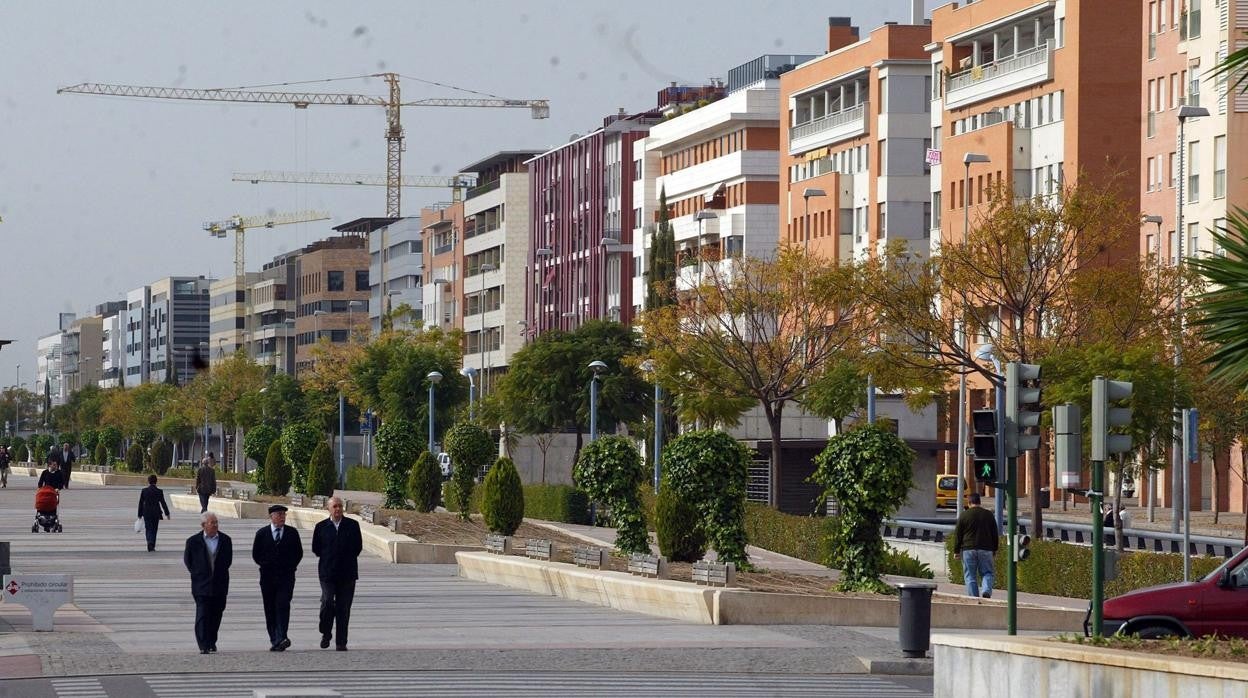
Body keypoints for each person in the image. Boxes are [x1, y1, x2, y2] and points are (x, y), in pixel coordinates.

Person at [312, 496, 363, 651]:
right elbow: (316, 549)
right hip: (327, 573)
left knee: (343, 608)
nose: (338, 509)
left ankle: (341, 642)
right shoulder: (321, 527)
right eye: (335, 506)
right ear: (328, 508)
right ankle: (326, 632)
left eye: (340, 506)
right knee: (327, 602)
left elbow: (357, 547)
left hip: (347, 574)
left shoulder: (352, 525)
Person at [252, 504, 303, 651]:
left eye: (284, 514)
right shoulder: (262, 534)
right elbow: (256, 554)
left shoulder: (292, 533)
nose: (282, 517)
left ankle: (282, 636)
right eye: (279, 514)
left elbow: (298, 553)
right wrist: (266, 564)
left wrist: (290, 566)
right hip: (267, 577)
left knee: (283, 605)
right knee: (270, 608)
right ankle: (275, 639)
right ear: (271, 516)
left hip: (286, 577)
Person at [183, 512, 232, 654]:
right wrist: (199, 574)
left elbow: (227, 561)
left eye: (216, 522)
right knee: (202, 614)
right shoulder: (192, 541)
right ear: (203, 525)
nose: (215, 525)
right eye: (212, 523)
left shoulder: (226, 540)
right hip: (201, 585)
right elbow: (188, 561)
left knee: (216, 614)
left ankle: (211, 640)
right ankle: (203, 644)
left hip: (220, 584)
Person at [953, 492, 999, 599]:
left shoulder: (964, 515)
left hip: (968, 549)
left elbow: (958, 535)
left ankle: (974, 598)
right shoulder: (988, 515)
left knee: (970, 576)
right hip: (986, 549)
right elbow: (994, 533)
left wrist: (956, 551)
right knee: (987, 572)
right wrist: (995, 549)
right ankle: (986, 591)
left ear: (969, 503)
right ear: (980, 502)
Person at [137, 474, 172, 552]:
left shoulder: (144, 491)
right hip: (156, 513)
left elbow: (141, 503)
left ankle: (149, 542)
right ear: (156, 481)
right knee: (154, 529)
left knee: (148, 528)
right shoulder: (159, 491)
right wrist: (167, 513)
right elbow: (163, 503)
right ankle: (152, 544)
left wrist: (139, 514)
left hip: (146, 513)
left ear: (148, 481)